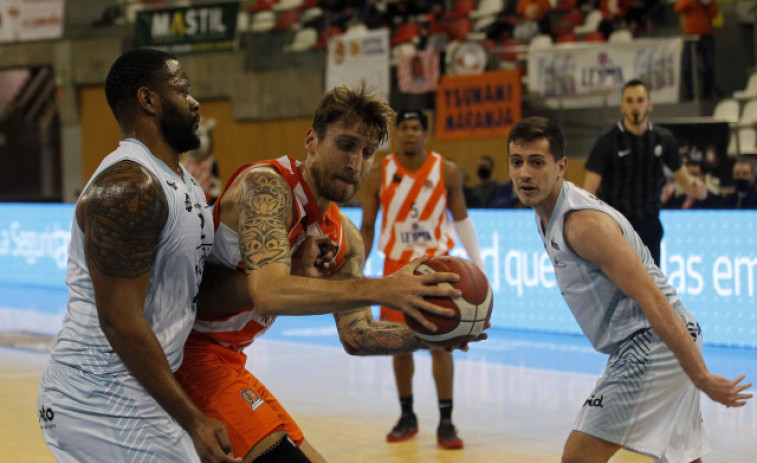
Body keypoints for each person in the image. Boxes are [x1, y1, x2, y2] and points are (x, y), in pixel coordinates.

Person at [175, 86, 475, 463]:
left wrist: (433, 336)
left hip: (227, 358)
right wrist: (383, 288)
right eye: (346, 145)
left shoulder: (345, 236)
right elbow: (269, 292)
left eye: (367, 152)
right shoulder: (267, 188)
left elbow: (358, 336)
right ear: (312, 140)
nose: (356, 163)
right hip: (183, 351)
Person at [507, 116, 752, 463]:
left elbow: (651, 297)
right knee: (681, 457)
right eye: (517, 162)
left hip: (653, 340)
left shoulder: (583, 225)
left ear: (561, 166)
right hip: (659, 337)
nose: (525, 173)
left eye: (536, 162)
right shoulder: (545, 210)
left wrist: (702, 376)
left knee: (578, 457)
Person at [37, 48, 241, 463]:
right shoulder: (127, 186)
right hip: (96, 396)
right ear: (149, 100)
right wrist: (193, 420)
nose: (195, 102)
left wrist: (293, 264)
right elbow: (119, 319)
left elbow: (198, 291)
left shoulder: (185, 183)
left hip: (138, 391)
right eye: (183, 90)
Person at [359, 109, 484, 449]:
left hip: (437, 268)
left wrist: (478, 263)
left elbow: (462, 220)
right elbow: (368, 226)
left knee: (441, 344)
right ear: (397, 133)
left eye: (416, 128)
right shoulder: (378, 173)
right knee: (399, 344)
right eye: (404, 128)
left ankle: (446, 421)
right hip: (395, 267)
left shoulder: (447, 171)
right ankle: (407, 414)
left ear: (426, 133)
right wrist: (356, 266)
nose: (410, 133)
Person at [583, 79, 706, 266]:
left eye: (640, 100)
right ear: (622, 107)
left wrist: (696, 187)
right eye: (630, 101)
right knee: (619, 286)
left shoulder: (663, 139)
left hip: (649, 225)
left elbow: (683, 178)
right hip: (617, 227)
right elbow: (589, 189)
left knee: (651, 286)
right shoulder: (607, 142)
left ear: (650, 105)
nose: (635, 106)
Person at [674, 0, 719, 100]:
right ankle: (690, 94)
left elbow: (715, 13)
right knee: (687, 66)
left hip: (706, 36)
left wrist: (706, 4)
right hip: (690, 37)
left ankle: (707, 95)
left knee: (709, 66)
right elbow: (678, 8)